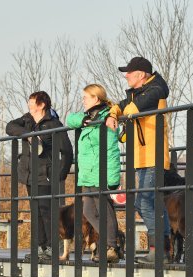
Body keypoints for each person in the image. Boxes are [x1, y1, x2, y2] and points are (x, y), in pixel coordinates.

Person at [106, 56, 171, 264]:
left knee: (144, 201)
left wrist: (120, 113)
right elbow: (118, 106)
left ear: (141, 75)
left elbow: (132, 109)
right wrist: (112, 114)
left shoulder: (155, 91)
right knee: (152, 203)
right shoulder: (140, 92)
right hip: (142, 157)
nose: (126, 76)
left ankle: (158, 251)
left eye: (129, 73)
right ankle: (166, 249)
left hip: (153, 156)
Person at [6, 91, 73, 260]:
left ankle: (52, 247)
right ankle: (40, 247)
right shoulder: (26, 120)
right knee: (35, 210)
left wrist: (61, 174)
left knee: (47, 210)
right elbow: (10, 127)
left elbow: (67, 150)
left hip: (46, 174)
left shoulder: (53, 124)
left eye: (32, 102)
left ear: (42, 104)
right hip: (29, 174)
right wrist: (28, 136)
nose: (29, 105)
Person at [67, 84, 121, 263]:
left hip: (100, 173)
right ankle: (110, 242)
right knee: (89, 211)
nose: (83, 100)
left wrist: (113, 178)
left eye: (86, 97)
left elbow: (112, 150)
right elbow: (69, 120)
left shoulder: (108, 119)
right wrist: (83, 120)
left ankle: (113, 246)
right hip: (87, 174)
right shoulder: (88, 118)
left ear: (96, 98)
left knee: (104, 209)